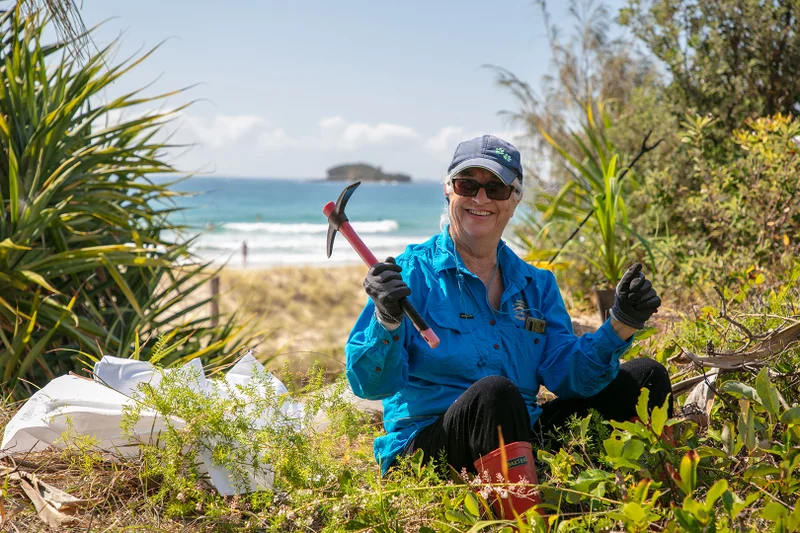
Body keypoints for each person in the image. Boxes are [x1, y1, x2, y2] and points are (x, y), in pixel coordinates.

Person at [345, 135, 669, 517]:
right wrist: (387, 320)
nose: (480, 199)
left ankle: (644, 504)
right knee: (495, 395)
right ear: (449, 191)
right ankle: (527, 521)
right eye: (468, 185)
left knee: (646, 376)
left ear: (514, 200)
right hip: (427, 451)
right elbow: (369, 384)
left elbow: (570, 378)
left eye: (495, 188)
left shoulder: (537, 284)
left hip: (519, 438)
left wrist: (621, 324)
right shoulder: (408, 273)